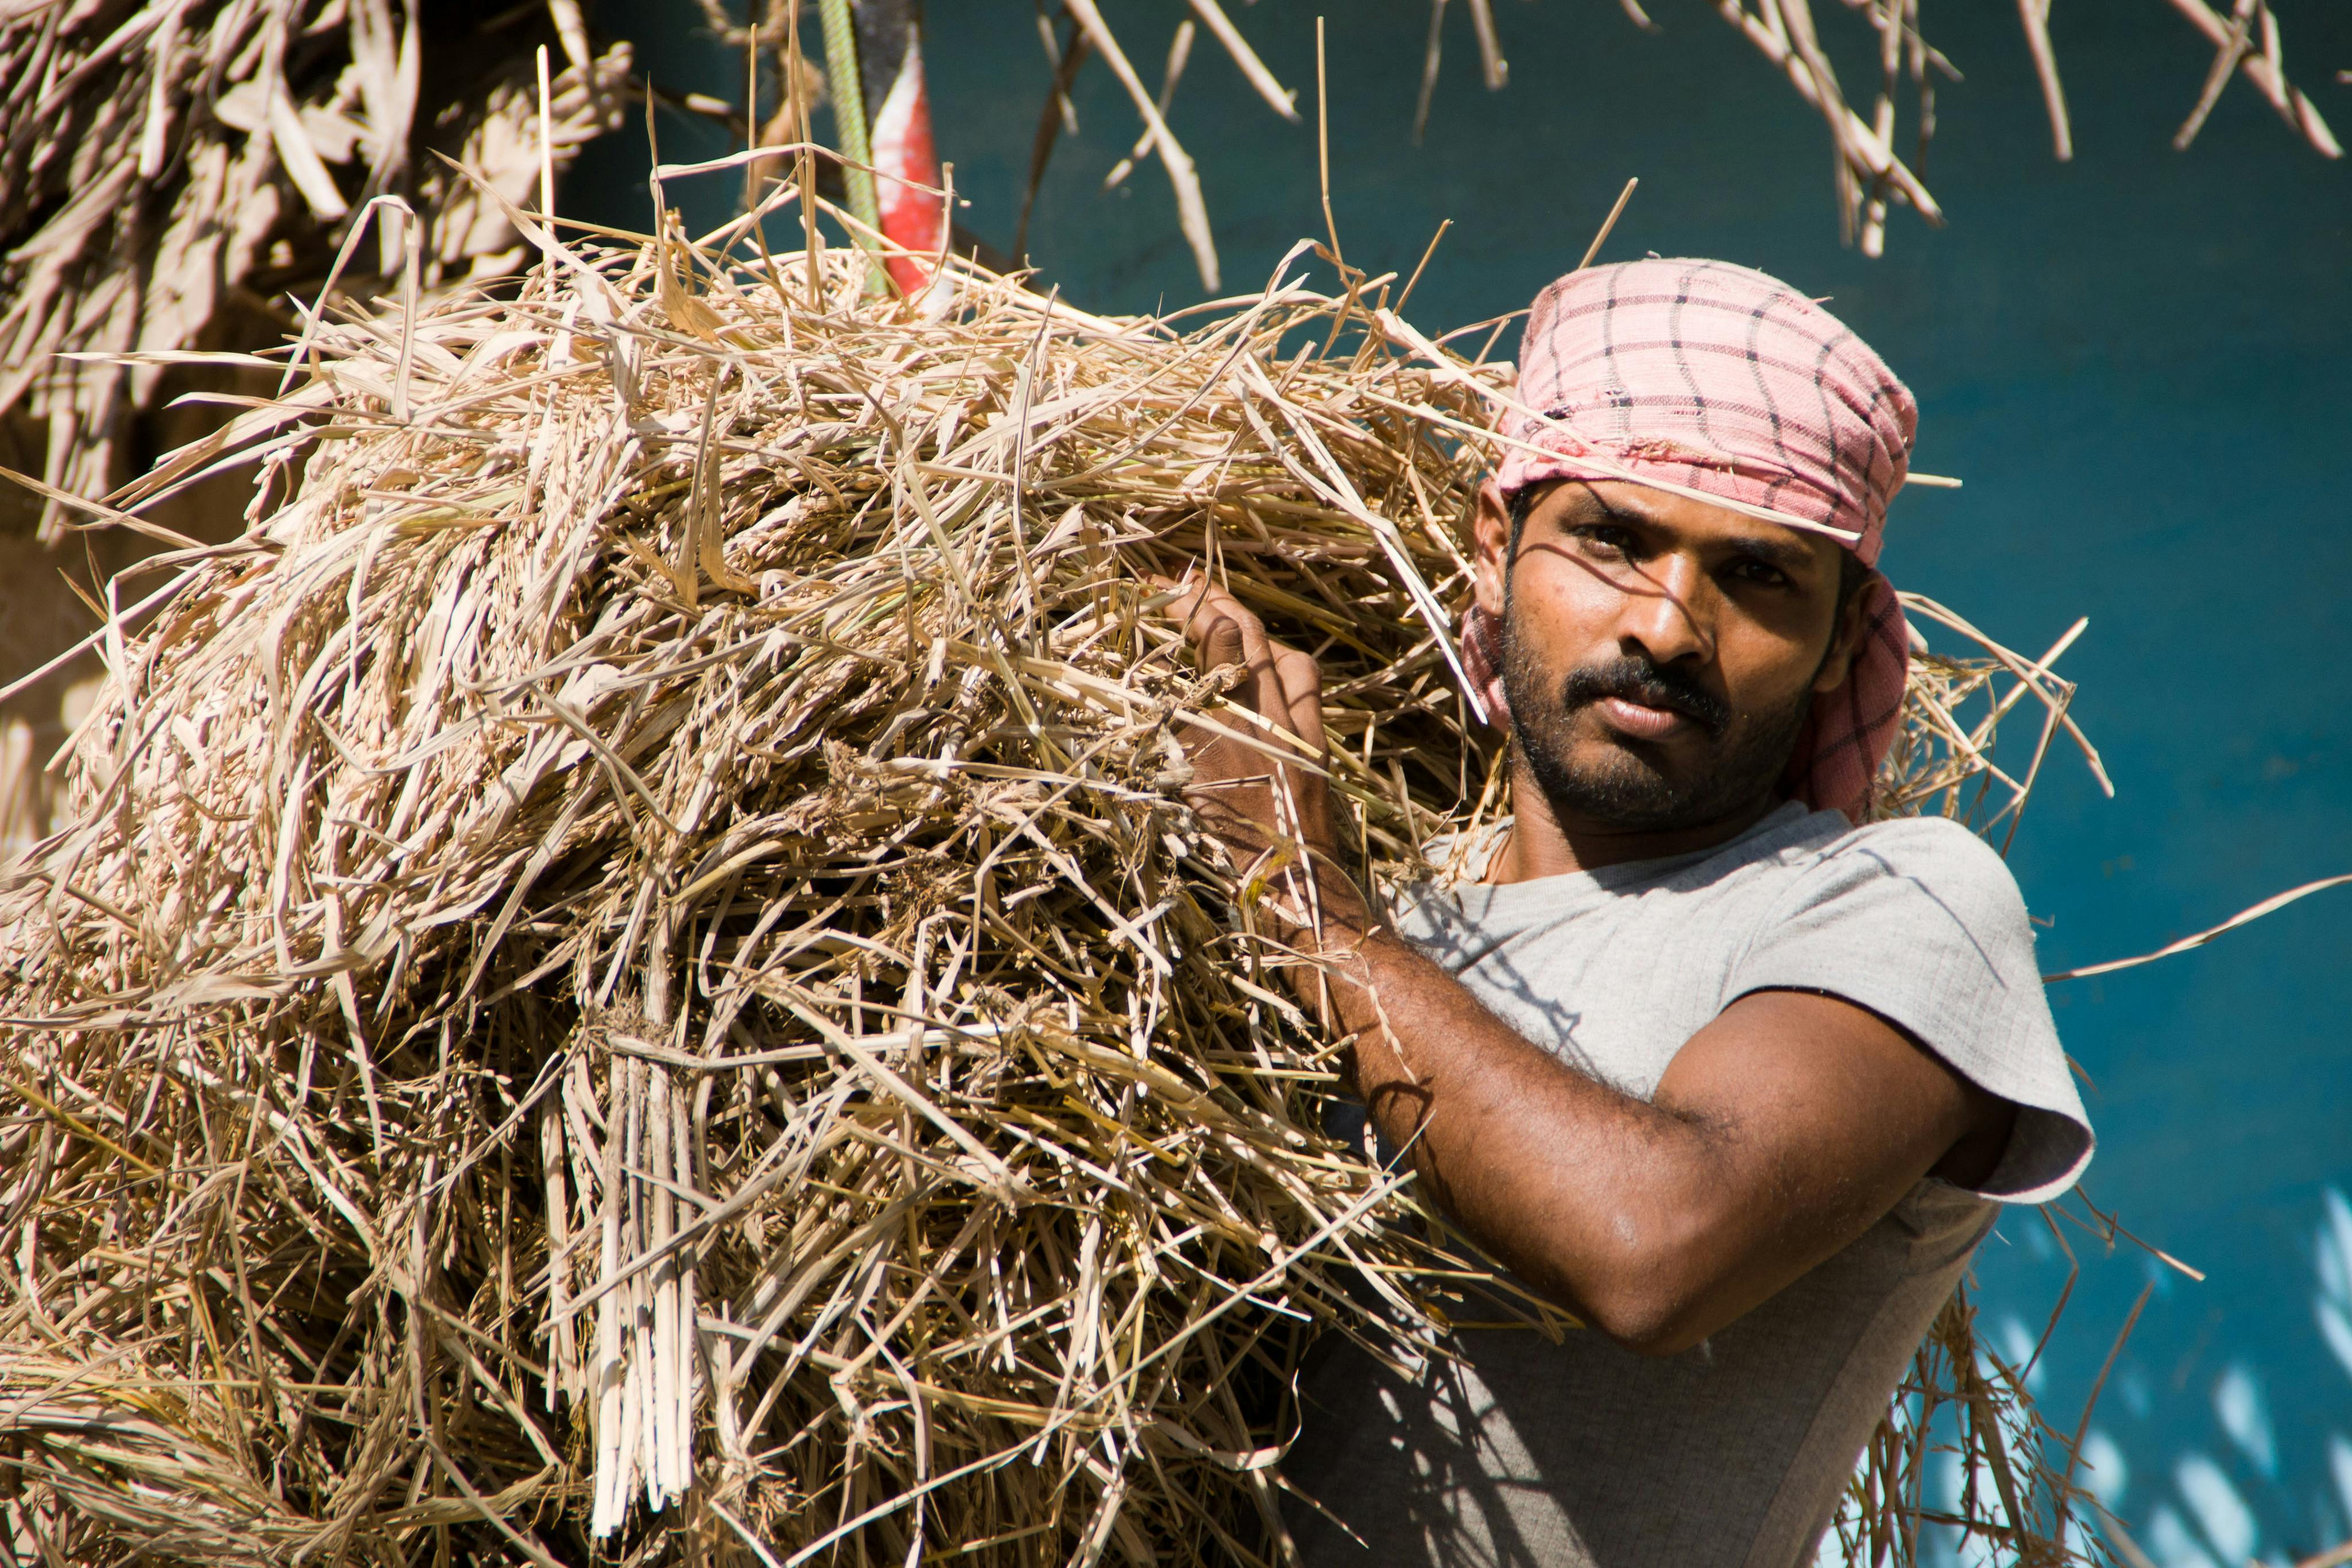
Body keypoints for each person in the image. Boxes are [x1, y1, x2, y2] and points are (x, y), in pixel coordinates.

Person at [1160, 258, 2093, 1568]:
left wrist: (1306, 909)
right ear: (1495, 552)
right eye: (1611, 539)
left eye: (1759, 577)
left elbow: (1652, 1246)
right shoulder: (1396, 913)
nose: (1667, 623)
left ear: (1837, 646)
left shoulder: (1897, 904)